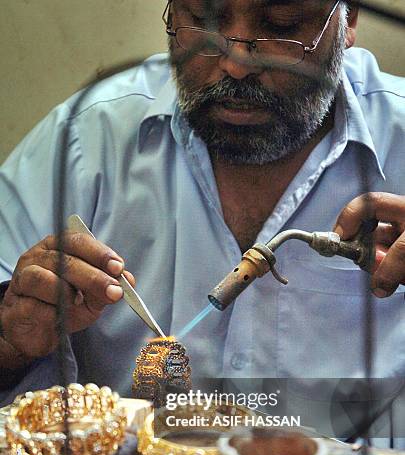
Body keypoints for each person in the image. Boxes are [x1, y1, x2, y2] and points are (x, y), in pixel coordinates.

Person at [0, 1, 404, 430]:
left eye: (280, 26)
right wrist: (12, 341)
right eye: (204, 21)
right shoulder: (87, 140)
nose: (236, 64)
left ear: (349, 21)